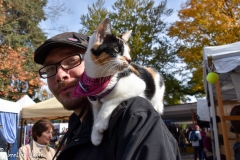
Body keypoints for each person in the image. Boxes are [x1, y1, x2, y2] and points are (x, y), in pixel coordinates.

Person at [34, 32, 181, 160]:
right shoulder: (76, 125)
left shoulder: (132, 115)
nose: (60, 75)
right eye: (50, 68)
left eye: (72, 60)